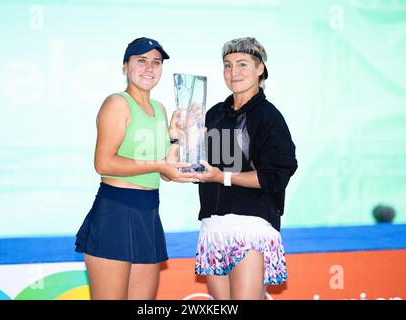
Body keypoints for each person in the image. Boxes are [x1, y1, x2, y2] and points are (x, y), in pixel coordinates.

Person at [75, 37, 196, 300]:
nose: (149, 68)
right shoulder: (117, 103)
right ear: (124, 67)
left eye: (156, 62)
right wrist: (161, 164)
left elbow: (163, 173)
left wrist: (176, 137)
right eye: (141, 60)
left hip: (148, 214)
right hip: (115, 213)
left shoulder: (160, 109)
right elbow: (104, 163)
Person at [193, 37, 298, 300]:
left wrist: (222, 177)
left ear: (260, 68)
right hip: (212, 226)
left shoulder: (268, 117)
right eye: (228, 65)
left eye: (242, 64)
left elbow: (276, 176)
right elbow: (197, 166)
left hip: (252, 224)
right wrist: (178, 136)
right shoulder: (214, 113)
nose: (233, 72)